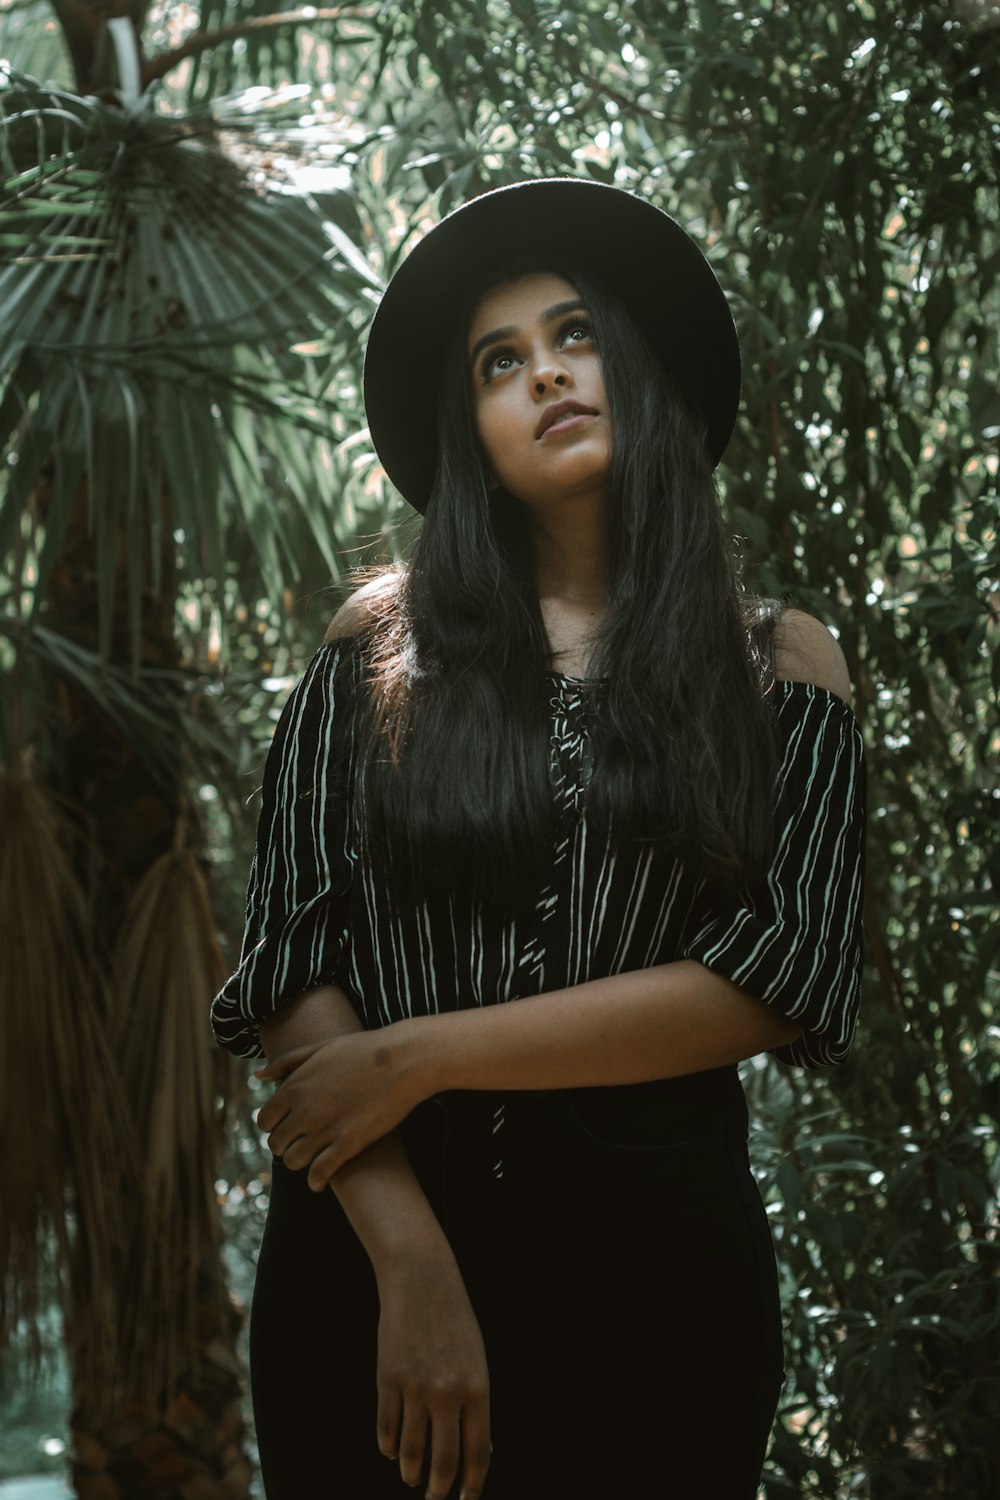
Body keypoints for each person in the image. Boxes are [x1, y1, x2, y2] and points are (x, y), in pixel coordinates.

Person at [211, 178, 866, 1500]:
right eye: (500, 362)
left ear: (637, 364)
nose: (547, 376)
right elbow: (288, 950)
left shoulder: (779, 663)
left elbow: (776, 974)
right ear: (473, 427)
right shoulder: (374, 647)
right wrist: (413, 1265)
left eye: (574, 335)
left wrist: (415, 1055)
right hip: (370, 1257)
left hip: (656, 1274)